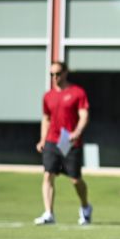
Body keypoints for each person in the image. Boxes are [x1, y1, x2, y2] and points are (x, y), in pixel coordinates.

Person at [34, 61, 92, 226]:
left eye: (58, 74)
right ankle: (48, 213)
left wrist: (77, 132)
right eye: (52, 74)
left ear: (65, 73)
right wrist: (42, 139)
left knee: (75, 179)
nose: (55, 77)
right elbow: (46, 119)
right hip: (52, 140)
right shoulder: (48, 96)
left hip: (69, 141)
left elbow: (84, 116)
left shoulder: (77, 92)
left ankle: (85, 207)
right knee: (48, 174)